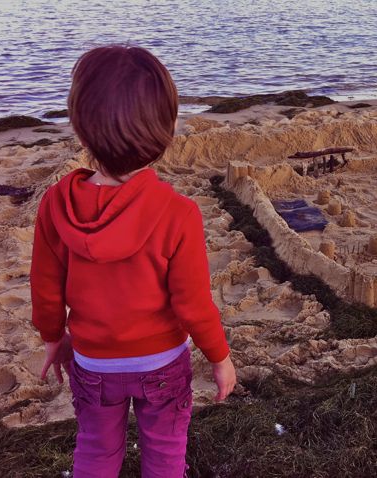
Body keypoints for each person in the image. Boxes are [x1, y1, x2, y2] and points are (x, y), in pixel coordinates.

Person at [30, 45, 236, 478]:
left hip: (93, 361)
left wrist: (53, 338)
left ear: (81, 132)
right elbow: (193, 304)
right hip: (161, 362)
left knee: (96, 451)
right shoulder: (178, 213)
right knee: (164, 454)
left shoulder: (56, 204)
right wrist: (219, 357)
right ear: (168, 129)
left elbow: (45, 285)